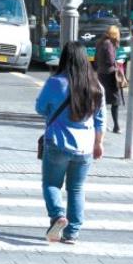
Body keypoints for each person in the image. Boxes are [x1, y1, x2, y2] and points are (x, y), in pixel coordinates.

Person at [35, 41, 105, 245]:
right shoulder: (96, 86)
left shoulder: (56, 82)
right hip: (85, 146)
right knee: (76, 188)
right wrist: (98, 143)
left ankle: (58, 216)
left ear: (65, 58)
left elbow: (39, 107)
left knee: (51, 183)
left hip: (57, 141)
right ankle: (72, 232)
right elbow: (101, 119)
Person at [95, 26, 123, 133]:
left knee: (103, 100)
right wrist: (118, 64)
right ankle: (116, 126)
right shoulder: (109, 44)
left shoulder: (100, 42)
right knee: (115, 101)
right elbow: (111, 60)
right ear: (115, 34)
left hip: (101, 74)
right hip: (110, 75)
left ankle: (103, 124)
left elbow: (96, 59)